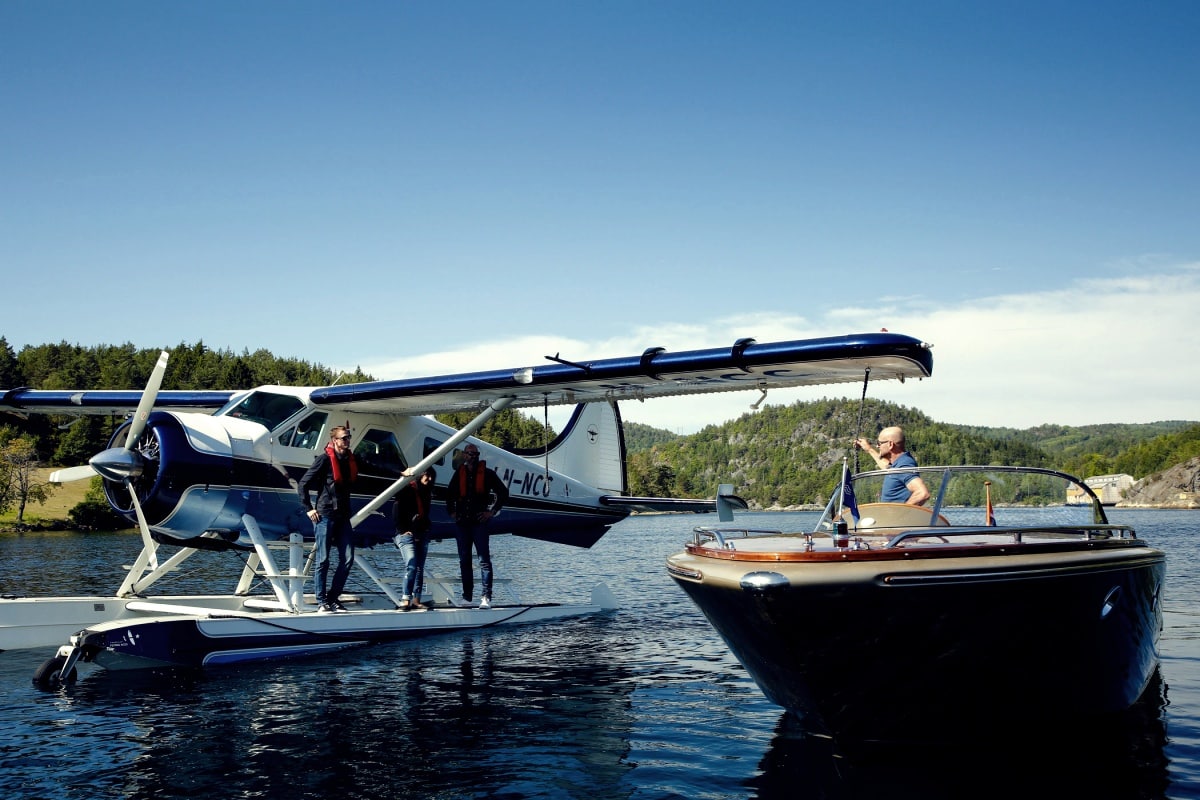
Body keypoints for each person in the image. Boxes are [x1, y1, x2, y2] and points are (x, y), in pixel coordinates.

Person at [298, 425, 359, 613]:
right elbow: (303, 484)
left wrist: (403, 471)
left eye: (348, 438)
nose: (347, 441)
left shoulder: (350, 459)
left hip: (343, 517)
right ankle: (321, 601)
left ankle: (333, 599)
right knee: (323, 559)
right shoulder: (324, 460)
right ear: (334, 440)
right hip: (325, 515)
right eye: (343, 438)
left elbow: (375, 465)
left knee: (348, 558)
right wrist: (308, 508)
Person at [444, 443, 508, 608]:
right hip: (463, 524)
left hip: (480, 524)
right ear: (464, 455)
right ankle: (467, 597)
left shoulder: (487, 474)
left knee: (484, 560)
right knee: (464, 560)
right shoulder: (459, 473)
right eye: (470, 453)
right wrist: (452, 512)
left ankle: (486, 597)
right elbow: (449, 494)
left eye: (475, 454)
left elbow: (503, 492)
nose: (473, 456)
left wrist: (491, 512)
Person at [392, 466, 436, 610]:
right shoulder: (407, 489)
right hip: (405, 535)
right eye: (426, 475)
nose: (428, 479)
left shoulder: (427, 493)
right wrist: (403, 530)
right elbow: (396, 508)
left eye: (431, 477)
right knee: (411, 566)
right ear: (419, 475)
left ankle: (416, 600)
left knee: (419, 568)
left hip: (422, 533)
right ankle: (405, 599)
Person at [855, 426, 930, 506]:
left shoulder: (904, 465)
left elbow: (922, 493)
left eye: (879, 443)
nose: (877, 446)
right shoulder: (897, 464)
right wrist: (869, 449)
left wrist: (899, 515)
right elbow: (886, 467)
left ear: (890, 444)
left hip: (896, 518)